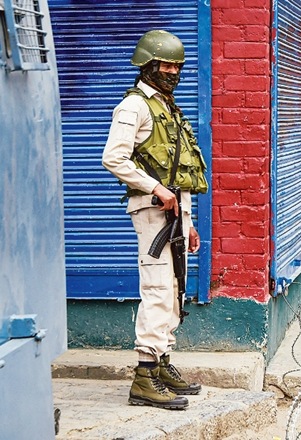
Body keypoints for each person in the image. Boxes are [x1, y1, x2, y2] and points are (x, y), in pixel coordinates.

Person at [102, 30, 209, 410]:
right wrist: (154, 189)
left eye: (177, 66)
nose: (172, 72)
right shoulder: (134, 107)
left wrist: (189, 221)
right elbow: (114, 158)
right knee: (158, 289)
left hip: (174, 212)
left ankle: (161, 364)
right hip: (152, 210)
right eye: (165, 65)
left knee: (174, 289)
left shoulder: (166, 106)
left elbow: (177, 174)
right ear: (147, 65)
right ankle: (144, 377)